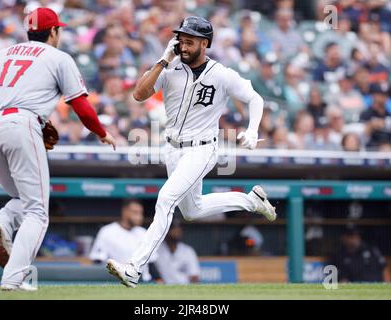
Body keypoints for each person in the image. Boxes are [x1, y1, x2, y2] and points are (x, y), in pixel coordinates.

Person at [106, 16, 277, 288]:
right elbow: (139, 95)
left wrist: (253, 130)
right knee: (192, 210)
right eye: (181, 40)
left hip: (201, 149)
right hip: (172, 150)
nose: (183, 46)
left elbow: (254, 98)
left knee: (165, 200)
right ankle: (251, 202)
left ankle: (134, 268)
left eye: (189, 41)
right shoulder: (170, 67)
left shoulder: (221, 73)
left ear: (204, 43)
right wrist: (162, 60)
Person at [0, 7, 116, 291]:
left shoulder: (0, 54)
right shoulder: (58, 57)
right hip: (22, 124)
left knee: (22, 198)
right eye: (59, 29)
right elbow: (80, 105)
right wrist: (101, 132)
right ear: (53, 31)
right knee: (37, 211)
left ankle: (3, 221)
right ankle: (13, 278)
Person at [90, 199, 161, 282]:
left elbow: (151, 262)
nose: (139, 216)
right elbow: (97, 260)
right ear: (125, 212)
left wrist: (158, 279)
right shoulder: (107, 231)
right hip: (117, 280)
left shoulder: (144, 233)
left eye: (140, 213)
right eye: (135, 212)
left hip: (143, 281)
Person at [154, 219, 200, 284]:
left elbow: (195, 276)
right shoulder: (156, 250)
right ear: (166, 231)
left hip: (184, 289)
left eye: (179, 228)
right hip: (163, 289)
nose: (177, 231)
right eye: (174, 228)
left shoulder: (188, 251)